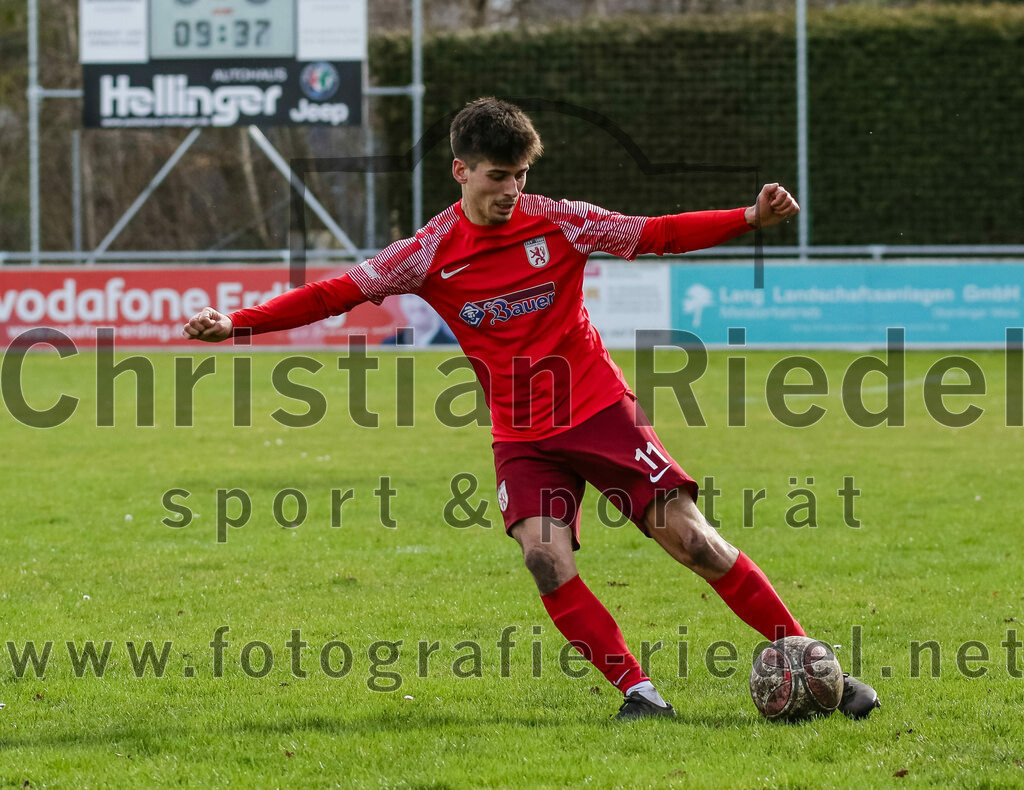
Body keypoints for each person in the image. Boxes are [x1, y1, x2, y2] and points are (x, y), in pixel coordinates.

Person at [183, 97, 880, 721]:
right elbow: (335, 292)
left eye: (520, 175)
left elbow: (655, 233)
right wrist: (238, 322)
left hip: (602, 410)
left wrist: (749, 217)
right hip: (522, 436)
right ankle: (640, 695)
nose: (512, 190)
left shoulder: (562, 222)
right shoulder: (427, 253)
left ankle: (823, 672)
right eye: (497, 176)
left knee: (694, 542)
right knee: (545, 560)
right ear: (461, 171)